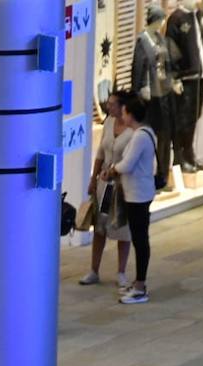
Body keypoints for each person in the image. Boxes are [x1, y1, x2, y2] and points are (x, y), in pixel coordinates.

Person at [104, 92, 155, 304]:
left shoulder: (139, 136)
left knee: (140, 239)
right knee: (140, 238)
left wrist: (112, 169)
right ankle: (138, 283)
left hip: (138, 194)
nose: (121, 116)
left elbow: (128, 164)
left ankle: (140, 286)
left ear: (130, 114)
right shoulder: (147, 132)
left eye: (124, 112)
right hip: (141, 191)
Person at [78, 90, 132, 287]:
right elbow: (101, 152)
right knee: (100, 225)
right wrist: (93, 179)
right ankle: (94, 270)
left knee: (122, 228)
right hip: (105, 185)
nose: (108, 107)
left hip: (123, 187)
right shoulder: (109, 122)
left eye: (112, 104)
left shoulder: (133, 129)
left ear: (123, 106)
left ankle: (121, 272)